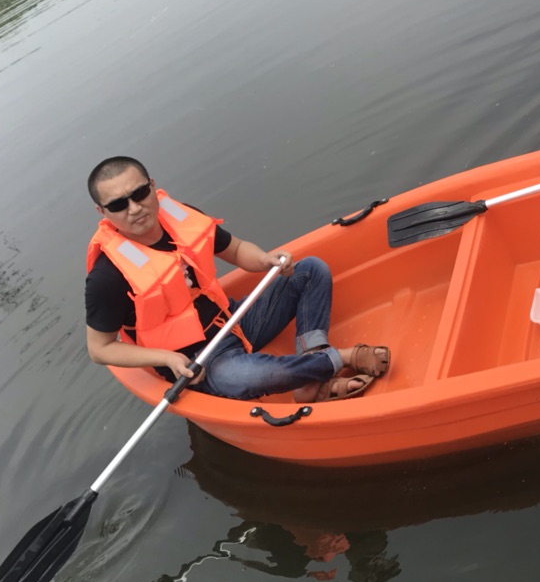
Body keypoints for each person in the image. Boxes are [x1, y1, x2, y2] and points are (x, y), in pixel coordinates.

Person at [84, 156, 389, 402]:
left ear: (152, 185)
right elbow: (100, 349)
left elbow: (236, 249)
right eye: (118, 205)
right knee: (251, 378)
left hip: (234, 320)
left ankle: (311, 371)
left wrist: (265, 260)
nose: (134, 209)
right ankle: (335, 361)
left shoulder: (181, 216)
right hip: (200, 360)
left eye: (139, 193)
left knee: (310, 269)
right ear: (101, 211)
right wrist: (168, 359)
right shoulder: (107, 277)